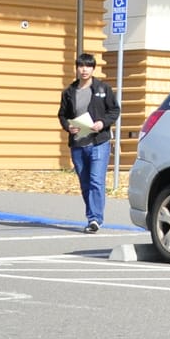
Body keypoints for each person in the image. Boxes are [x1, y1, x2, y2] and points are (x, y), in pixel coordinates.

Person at [58, 53, 119, 233]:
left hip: (99, 141)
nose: (84, 70)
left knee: (96, 181)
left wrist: (102, 123)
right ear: (77, 68)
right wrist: (68, 126)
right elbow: (62, 115)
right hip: (78, 143)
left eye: (88, 66)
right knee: (85, 183)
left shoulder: (103, 89)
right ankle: (92, 214)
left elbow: (114, 110)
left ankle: (95, 219)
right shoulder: (69, 92)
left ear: (93, 69)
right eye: (81, 66)